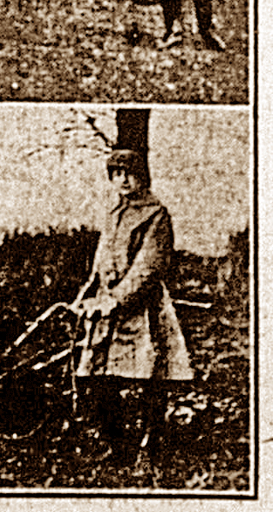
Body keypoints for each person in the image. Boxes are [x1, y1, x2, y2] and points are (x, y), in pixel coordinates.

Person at [73, 149, 193, 466]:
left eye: (129, 172)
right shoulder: (113, 212)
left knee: (150, 376)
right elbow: (101, 260)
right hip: (107, 308)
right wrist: (88, 293)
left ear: (142, 175)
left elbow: (149, 266)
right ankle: (116, 444)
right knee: (101, 375)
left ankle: (150, 446)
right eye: (116, 173)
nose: (123, 180)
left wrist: (118, 298)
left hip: (143, 309)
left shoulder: (157, 214)